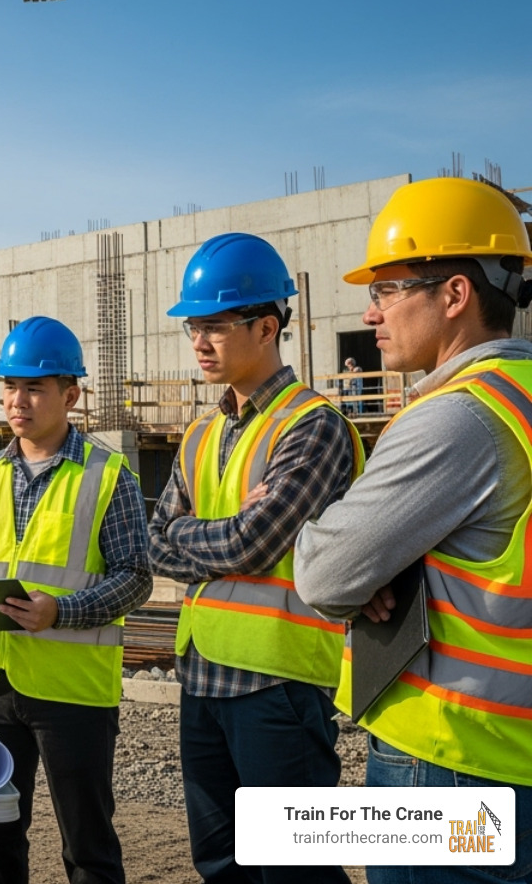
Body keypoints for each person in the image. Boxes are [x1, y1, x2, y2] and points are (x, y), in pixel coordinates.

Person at [294, 177, 532, 884]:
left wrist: (370, 560)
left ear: (455, 294)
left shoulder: (456, 417)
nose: (370, 313)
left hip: (451, 756)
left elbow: (324, 574)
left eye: (388, 289)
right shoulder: (519, 401)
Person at [147, 232, 362, 884]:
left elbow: (255, 543)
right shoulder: (200, 432)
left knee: (294, 873)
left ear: (267, 326)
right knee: (220, 866)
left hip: (278, 687)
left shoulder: (312, 425)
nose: (199, 341)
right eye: (193, 327)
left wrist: (195, 533)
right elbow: (152, 541)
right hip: (202, 679)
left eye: (214, 325)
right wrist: (222, 532)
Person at [0, 316, 152, 884]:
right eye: (9, 386)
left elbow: (136, 577)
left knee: (88, 845)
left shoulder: (108, 475)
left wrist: (62, 610)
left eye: (33, 387)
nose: (17, 400)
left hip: (73, 690)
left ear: (70, 395)